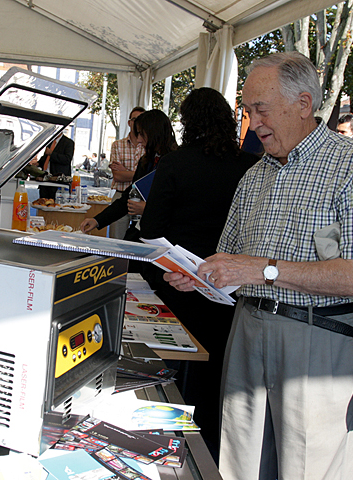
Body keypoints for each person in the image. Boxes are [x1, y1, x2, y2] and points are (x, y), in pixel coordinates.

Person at [164, 52, 353, 479]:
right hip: (248, 330)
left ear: (304, 104)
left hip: (322, 338)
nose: (253, 123)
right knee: (241, 462)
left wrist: (262, 270)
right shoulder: (255, 176)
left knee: (307, 466)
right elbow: (233, 262)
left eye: (261, 109)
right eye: (248, 111)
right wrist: (198, 275)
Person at [138, 88, 258, 461]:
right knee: (217, 377)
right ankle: (208, 452)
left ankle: (169, 452)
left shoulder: (175, 164)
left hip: (179, 285)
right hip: (232, 290)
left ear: (188, 122)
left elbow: (150, 231)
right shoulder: (250, 165)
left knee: (173, 376)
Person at [79, 109, 177, 242]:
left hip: (164, 238)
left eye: (142, 134)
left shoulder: (176, 163)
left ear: (154, 133)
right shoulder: (146, 161)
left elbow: (180, 208)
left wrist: (147, 210)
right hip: (141, 231)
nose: (138, 140)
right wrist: (97, 220)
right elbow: (128, 196)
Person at [108, 106, 145, 239]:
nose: (137, 123)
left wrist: (126, 172)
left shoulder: (147, 145)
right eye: (135, 119)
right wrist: (138, 173)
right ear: (129, 122)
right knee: (115, 241)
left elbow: (149, 176)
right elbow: (117, 176)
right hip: (121, 195)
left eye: (141, 119)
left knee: (138, 238)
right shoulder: (117, 145)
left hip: (142, 200)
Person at [29, 132, 75, 199]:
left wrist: (52, 153)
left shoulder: (68, 142)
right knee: (43, 201)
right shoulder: (50, 141)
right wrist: (38, 163)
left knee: (54, 203)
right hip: (45, 178)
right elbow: (46, 156)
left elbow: (67, 159)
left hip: (57, 180)